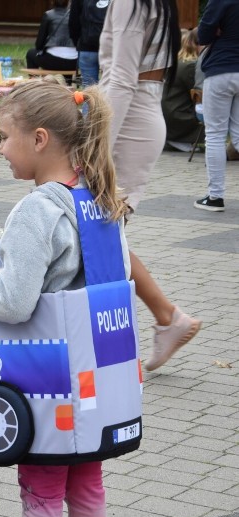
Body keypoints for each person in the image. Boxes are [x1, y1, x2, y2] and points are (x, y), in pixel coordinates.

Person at [0, 81, 128, 517]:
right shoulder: (96, 196)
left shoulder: (39, 208)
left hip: (47, 377)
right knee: (88, 482)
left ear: (38, 140)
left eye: (5, 136)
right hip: (95, 371)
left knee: (43, 489)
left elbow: (13, 303)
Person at [100, 0, 201, 371]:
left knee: (96, 235)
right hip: (139, 116)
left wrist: (96, 149)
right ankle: (167, 318)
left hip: (128, 124)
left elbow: (122, 79)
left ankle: (166, 318)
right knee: (100, 236)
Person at [194, 0, 239, 212]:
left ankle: (215, 197)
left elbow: (202, 35)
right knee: (238, 135)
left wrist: (217, 31)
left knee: (215, 135)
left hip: (221, 69)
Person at [162, 29, 203, 152]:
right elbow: (198, 94)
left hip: (170, 112)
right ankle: (179, 139)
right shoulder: (190, 65)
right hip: (179, 115)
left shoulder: (175, 63)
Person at [26, 0, 78, 73]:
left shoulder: (48, 15)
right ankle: (67, 83)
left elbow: (39, 43)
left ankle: (34, 82)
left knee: (30, 53)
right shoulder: (75, 15)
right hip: (74, 62)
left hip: (53, 61)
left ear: (52, 2)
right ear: (68, 2)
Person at [69, 0, 110, 86]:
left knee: (89, 88)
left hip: (87, 46)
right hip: (110, 47)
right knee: (111, 86)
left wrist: (79, 43)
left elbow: (73, 23)